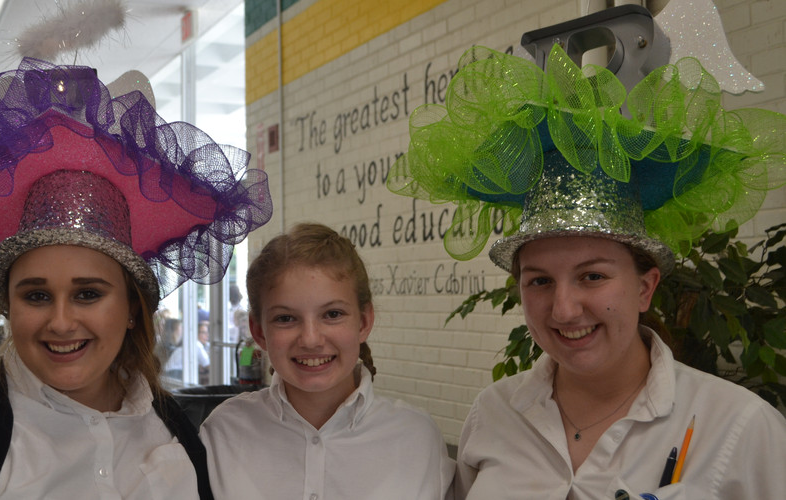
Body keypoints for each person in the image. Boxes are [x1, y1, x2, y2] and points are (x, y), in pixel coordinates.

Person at [387, 45, 786, 499]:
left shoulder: (739, 428)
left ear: (645, 287)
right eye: (539, 280)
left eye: (592, 276)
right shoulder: (493, 414)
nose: (563, 309)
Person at [0, 58, 271, 499]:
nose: (60, 322)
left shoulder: (170, 424)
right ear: (9, 306)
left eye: (88, 294)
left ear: (132, 308)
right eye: (37, 295)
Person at [200, 223, 455, 499]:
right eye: (285, 318)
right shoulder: (224, 433)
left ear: (364, 322)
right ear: (259, 331)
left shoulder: (417, 438)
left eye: (333, 314)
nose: (311, 339)